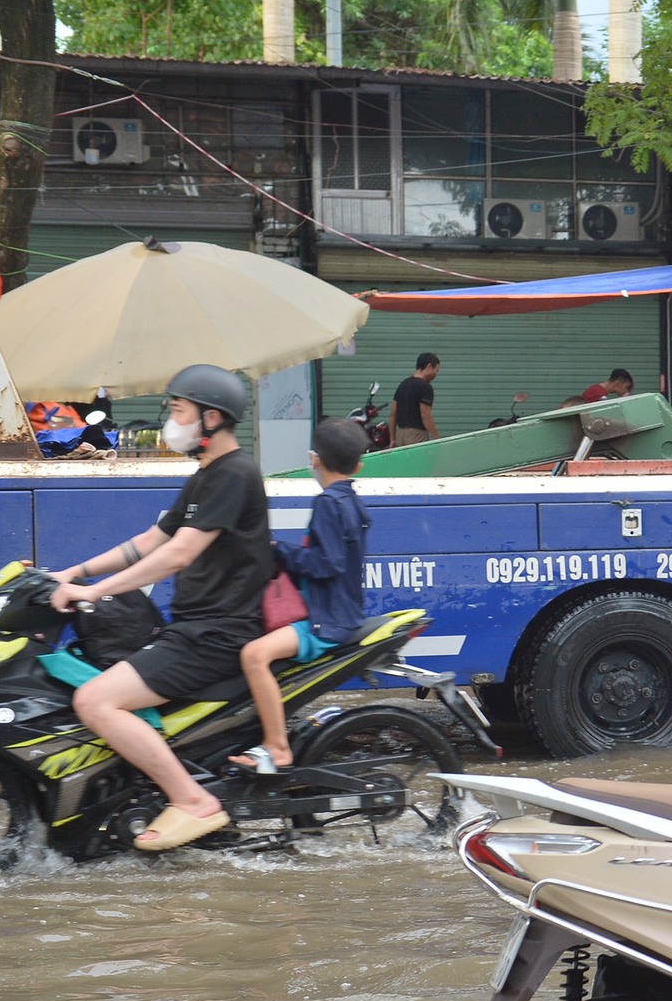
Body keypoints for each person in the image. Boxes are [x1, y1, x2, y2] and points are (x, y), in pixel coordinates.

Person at [49, 365, 274, 850]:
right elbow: (150, 541)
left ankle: (192, 800)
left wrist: (96, 591)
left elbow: (178, 553)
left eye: (178, 410)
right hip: (193, 629)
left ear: (211, 418)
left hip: (215, 635)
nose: (171, 420)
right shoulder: (207, 474)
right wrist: (74, 573)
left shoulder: (234, 472)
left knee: (94, 700)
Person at [228, 418, 372, 775]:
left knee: (254, 656)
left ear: (314, 460)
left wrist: (279, 549)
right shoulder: (351, 500)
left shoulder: (327, 502)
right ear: (358, 465)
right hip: (342, 612)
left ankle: (277, 747)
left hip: (326, 622)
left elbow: (326, 563)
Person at [391, 352, 440, 446]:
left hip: (400, 435)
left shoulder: (403, 384)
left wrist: (392, 439)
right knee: (418, 460)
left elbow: (393, 414)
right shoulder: (426, 387)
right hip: (416, 435)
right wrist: (436, 438)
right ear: (429, 366)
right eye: (436, 370)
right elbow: (425, 414)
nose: (435, 375)